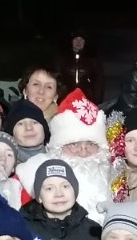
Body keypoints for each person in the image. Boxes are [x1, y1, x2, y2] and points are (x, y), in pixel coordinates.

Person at [14, 89, 114, 222]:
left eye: (91, 144)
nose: (83, 152)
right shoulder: (31, 175)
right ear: (59, 148)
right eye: (74, 144)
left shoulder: (117, 177)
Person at [22, 158, 103, 240]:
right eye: (49, 188)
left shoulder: (94, 231)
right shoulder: (23, 229)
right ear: (39, 197)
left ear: (75, 191)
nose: (59, 194)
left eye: (65, 186)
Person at [57, 31, 104, 103]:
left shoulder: (92, 59)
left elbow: (98, 82)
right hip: (65, 99)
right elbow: (57, 79)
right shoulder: (63, 58)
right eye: (76, 39)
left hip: (86, 99)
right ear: (71, 41)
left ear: (85, 42)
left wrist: (97, 101)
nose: (78, 42)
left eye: (81, 39)